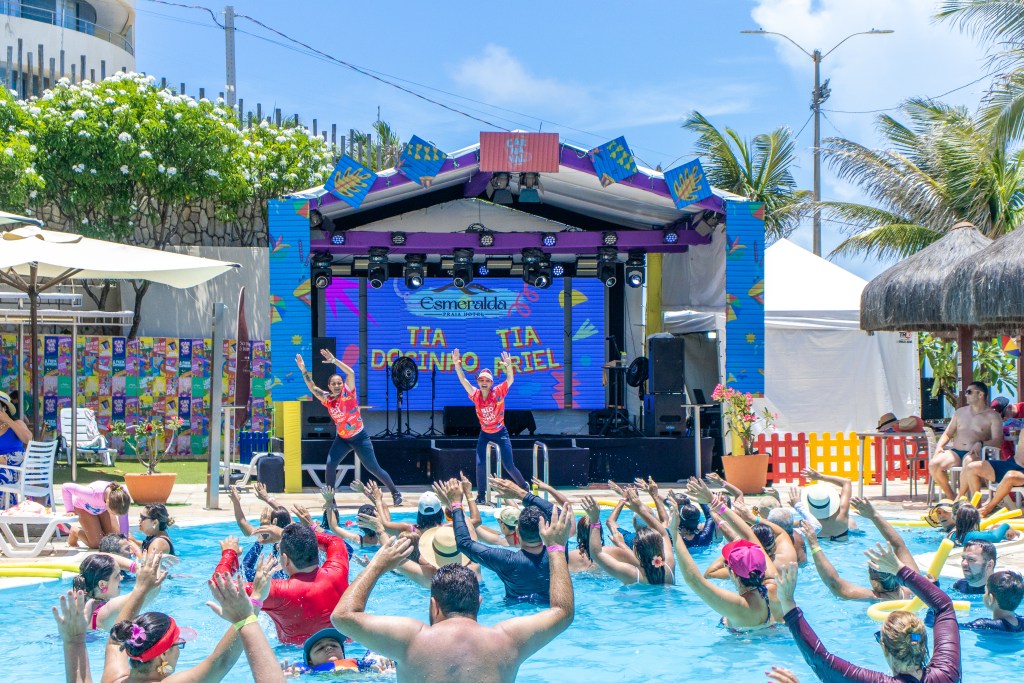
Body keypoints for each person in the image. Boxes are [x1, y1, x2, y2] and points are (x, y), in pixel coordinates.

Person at [330, 504, 576, 683]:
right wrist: (555, 547)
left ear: (433, 605)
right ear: (478, 602)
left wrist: (378, 564)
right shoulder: (507, 640)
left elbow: (342, 616)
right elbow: (562, 611)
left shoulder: (410, 639)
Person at [778, 543, 961, 683]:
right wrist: (900, 570)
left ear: (884, 647)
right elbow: (944, 606)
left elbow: (823, 662)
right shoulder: (947, 672)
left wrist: (788, 603)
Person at [104, 555, 282, 683]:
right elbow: (221, 662)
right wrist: (255, 601)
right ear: (163, 654)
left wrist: (140, 589)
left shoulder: (114, 678)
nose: (180, 650)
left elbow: (113, 643)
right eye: (179, 644)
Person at [213, 520, 350, 645]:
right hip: (347, 646)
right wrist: (283, 534)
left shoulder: (277, 591)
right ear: (316, 550)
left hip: (294, 658)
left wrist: (229, 554)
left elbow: (220, 585)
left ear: (285, 560)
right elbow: (334, 540)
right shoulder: (338, 571)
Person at [296, 350, 402, 506]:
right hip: (343, 439)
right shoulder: (327, 398)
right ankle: (330, 500)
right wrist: (303, 370)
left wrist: (334, 360)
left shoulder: (349, 393)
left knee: (374, 468)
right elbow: (312, 387)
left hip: (360, 438)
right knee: (330, 465)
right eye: (334, 383)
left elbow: (351, 373)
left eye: (339, 382)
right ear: (329, 386)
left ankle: (395, 492)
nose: (337, 385)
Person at [667, 496, 779, 630]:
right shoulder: (773, 588)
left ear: (733, 574)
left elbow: (694, 580)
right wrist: (717, 504)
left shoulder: (739, 606)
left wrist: (674, 532)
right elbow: (749, 535)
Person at [448, 477, 560, 601]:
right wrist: (521, 493)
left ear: (517, 531)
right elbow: (558, 513)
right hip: (551, 610)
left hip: (515, 614)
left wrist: (456, 505)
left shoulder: (506, 560)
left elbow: (463, 543)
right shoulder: (559, 553)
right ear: (545, 529)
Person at [451, 348, 530, 502]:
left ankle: (524, 488)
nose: (484, 383)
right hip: (485, 434)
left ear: (491, 383)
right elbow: (463, 381)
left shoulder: (498, 392)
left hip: (501, 432)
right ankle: (481, 495)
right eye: (482, 380)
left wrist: (508, 366)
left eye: (487, 381)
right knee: (480, 464)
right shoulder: (475, 395)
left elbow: (510, 380)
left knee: (508, 465)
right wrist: (456, 364)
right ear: (478, 382)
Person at [929, 380, 1003, 501]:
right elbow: (948, 434)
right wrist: (939, 446)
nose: (966, 395)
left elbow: (998, 440)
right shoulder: (960, 412)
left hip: (976, 454)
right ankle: (952, 497)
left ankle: (963, 498)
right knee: (934, 464)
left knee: (969, 461)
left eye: (969, 392)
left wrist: (981, 443)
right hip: (956, 452)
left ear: (980, 394)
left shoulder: (992, 416)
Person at [580, 491, 674, 586]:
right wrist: (640, 509)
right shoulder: (669, 567)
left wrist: (594, 519)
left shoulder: (632, 574)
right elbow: (664, 534)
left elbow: (596, 553)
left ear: (635, 550)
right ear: (660, 547)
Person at [226, 486, 291, 581]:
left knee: (244, 572)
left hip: (275, 576)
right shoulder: (296, 531)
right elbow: (285, 513)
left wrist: (236, 502)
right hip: (288, 573)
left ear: (273, 522)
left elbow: (242, 522)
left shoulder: (264, 535)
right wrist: (267, 498)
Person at [282, 628, 394, 675]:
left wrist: (383, 667)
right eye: (320, 648)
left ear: (342, 653)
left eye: (334, 645)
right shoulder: (309, 669)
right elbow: (296, 670)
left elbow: (373, 665)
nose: (329, 648)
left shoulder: (356, 663)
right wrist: (289, 674)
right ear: (310, 661)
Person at [944, 570, 1024, 632]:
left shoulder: (983, 625)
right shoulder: (1022, 623)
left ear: (991, 598)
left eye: (985, 591)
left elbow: (949, 627)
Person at [62, 481, 132, 549]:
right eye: (114, 513)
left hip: (102, 509)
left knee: (116, 540)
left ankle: (96, 530)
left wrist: (124, 541)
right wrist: (70, 510)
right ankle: (74, 531)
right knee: (96, 543)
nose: (115, 515)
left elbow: (124, 524)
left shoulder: (122, 498)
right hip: (84, 508)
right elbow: (66, 487)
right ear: (107, 503)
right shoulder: (91, 493)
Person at [961, 432, 1024, 501]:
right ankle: (977, 506)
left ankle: (989, 507)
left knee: (1010, 476)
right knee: (972, 467)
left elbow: (998, 440)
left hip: (1021, 472)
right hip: (1013, 463)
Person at [801, 468, 854, 541]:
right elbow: (846, 482)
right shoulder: (842, 513)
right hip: (842, 547)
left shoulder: (807, 523)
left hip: (817, 549)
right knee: (852, 522)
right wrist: (820, 477)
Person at [0, 389, 31, 508]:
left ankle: (3, 516)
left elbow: (28, 439)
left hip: (15, 470)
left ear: (4, 409)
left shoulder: (17, 423)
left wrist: (8, 420)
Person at [949, 502, 1019, 545]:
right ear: (975, 519)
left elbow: (984, 534)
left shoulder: (953, 534)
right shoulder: (971, 535)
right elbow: (995, 537)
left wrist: (1001, 533)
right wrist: (1005, 525)